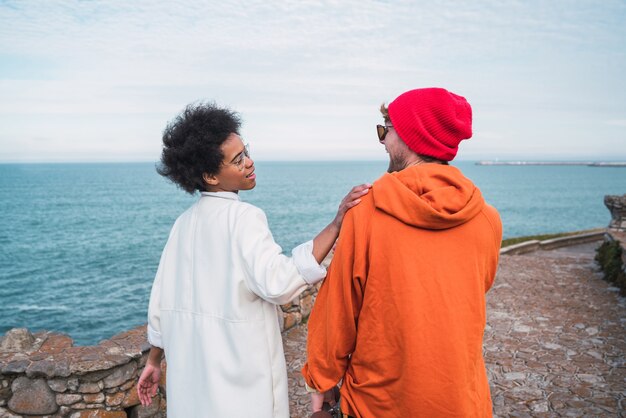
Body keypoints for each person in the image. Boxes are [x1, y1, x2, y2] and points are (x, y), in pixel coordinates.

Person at [136, 102, 371, 417]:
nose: (249, 162)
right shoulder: (244, 217)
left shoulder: (183, 224)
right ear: (210, 175)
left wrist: (154, 361)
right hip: (240, 385)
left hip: (192, 385)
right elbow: (279, 283)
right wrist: (336, 223)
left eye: (246, 151)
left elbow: (160, 305)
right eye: (238, 159)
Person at [302, 87, 503, 417]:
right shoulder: (486, 218)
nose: (382, 140)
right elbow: (474, 290)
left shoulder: (365, 210)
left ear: (410, 135)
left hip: (378, 404)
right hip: (462, 402)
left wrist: (321, 385)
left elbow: (337, 312)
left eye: (386, 129)